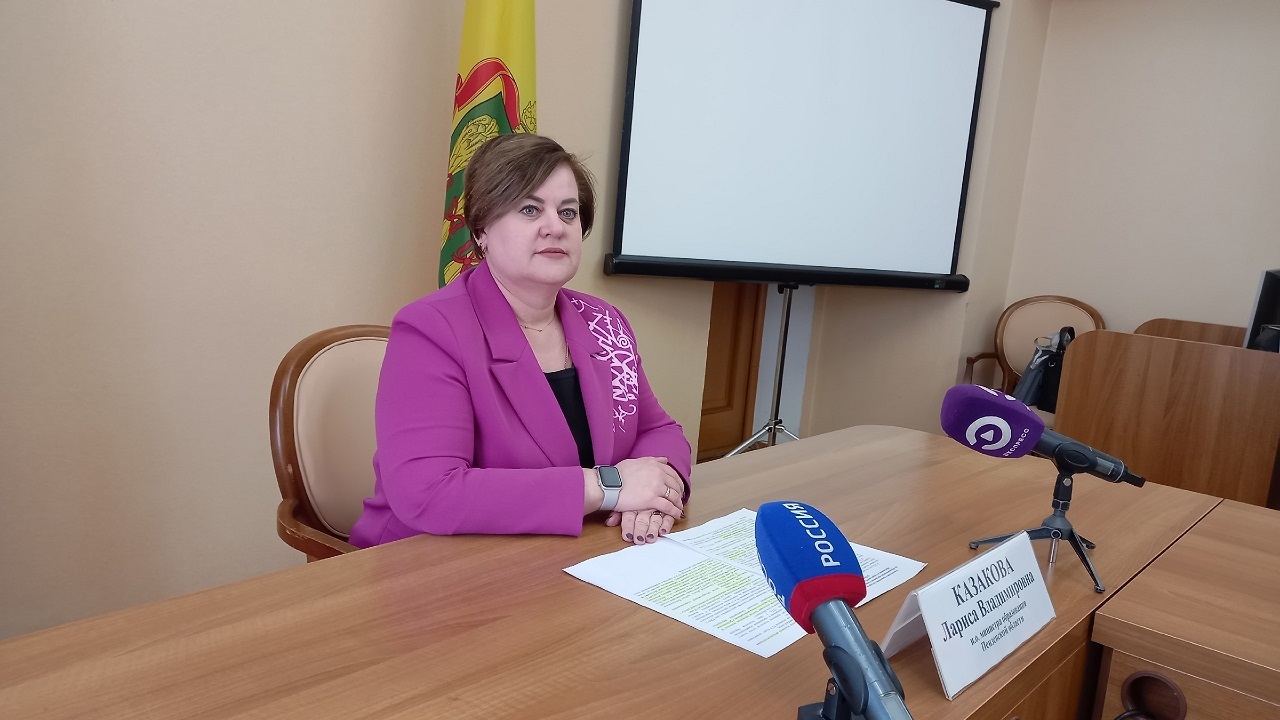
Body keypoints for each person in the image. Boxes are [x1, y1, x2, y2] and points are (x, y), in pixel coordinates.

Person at [350, 133, 692, 549]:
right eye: (530, 209)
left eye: (568, 212)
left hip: (572, 550)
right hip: (434, 560)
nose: (555, 227)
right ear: (482, 230)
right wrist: (611, 486)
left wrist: (657, 492)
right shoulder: (430, 330)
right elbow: (429, 493)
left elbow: (658, 429)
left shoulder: (603, 321)